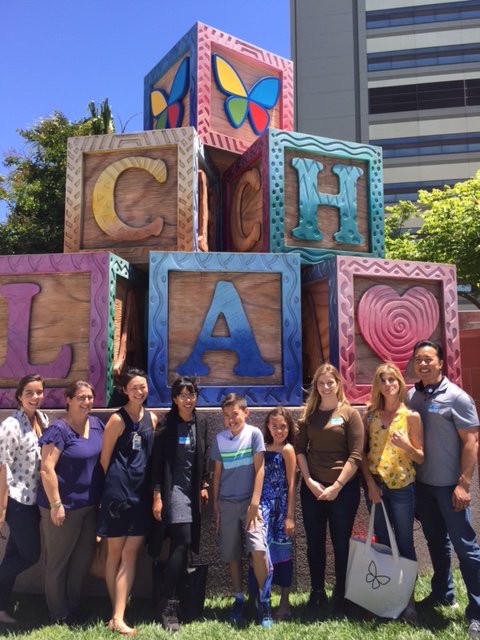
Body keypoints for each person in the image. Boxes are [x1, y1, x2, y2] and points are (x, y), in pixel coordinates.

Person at [408, 339, 480, 640]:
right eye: (418, 359)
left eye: (429, 359)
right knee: (436, 543)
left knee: (466, 548)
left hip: (451, 487)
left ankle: (477, 612)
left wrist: (464, 484)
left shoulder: (457, 397)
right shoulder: (412, 396)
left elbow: (472, 442)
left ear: (440, 363)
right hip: (423, 486)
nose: (423, 364)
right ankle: (443, 593)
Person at [296, 363, 364, 613]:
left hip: (343, 490)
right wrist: (309, 481)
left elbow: (356, 455)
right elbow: (300, 450)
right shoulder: (308, 414)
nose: (325, 387)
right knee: (315, 542)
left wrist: (337, 486)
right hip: (313, 489)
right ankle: (317, 592)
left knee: (340, 542)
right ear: (316, 386)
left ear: (338, 384)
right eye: (321, 383)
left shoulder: (349, 413)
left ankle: (342, 593)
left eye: (330, 382)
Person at [361, 362, 424, 621]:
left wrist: (408, 446)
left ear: (400, 383)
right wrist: (370, 484)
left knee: (405, 542)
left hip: (402, 488)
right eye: (383, 380)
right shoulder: (370, 415)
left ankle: (409, 601)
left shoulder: (411, 416)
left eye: (392, 380)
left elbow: (420, 457)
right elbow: (362, 454)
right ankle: (388, 599)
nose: (388, 384)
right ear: (378, 385)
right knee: (384, 544)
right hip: (376, 487)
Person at [38, 380, 104, 624]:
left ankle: (73, 607)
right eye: (81, 397)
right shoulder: (59, 430)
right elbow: (46, 469)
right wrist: (56, 505)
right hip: (62, 508)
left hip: (89, 506)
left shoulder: (96, 424)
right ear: (68, 400)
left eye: (90, 397)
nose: (87, 402)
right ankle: (59, 613)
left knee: (81, 560)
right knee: (58, 562)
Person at [97, 368, 157, 636]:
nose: (139, 392)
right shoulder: (116, 420)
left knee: (130, 555)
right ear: (125, 391)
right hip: (118, 495)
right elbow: (104, 459)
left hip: (141, 495)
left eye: (143, 386)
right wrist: (115, 487)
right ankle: (117, 614)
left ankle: (117, 615)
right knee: (114, 554)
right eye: (134, 387)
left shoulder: (152, 418)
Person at [150, 376, 209, 632]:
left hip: (191, 492)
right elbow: (157, 462)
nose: (188, 400)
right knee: (182, 540)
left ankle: (176, 600)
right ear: (174, 399)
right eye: (183, 395)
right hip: (172, 490)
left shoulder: (201, 422)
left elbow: (204, 455)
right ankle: (168, 605)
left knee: (182, 546)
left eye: (191, 394)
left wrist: (204, 484)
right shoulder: (167, 424)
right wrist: (157, 495)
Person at [211, 393, 272, 628]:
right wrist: (216, 504)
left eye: (235, 414)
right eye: (226, 416)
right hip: (227, 503)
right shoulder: (220, 439)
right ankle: (239, 599)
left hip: (250, 504)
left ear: (245, 413)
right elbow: (217, 474)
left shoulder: (254, 434)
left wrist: (254, 503)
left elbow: (260, 469)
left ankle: (264, 601)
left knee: (258, 550)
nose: (231, 419)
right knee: (232, 554)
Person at [0, 375, 49, 624]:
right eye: (29, 392)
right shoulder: (11, 425)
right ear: (19, 396)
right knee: (30, 555)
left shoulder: (43, 419)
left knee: (13, 556)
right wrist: (2, 509)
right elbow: (2, 468)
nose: (35, 397)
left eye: (39, 392)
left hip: (35, 498)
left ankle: (0, 609)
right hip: (17, 500)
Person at [248, 406, 296, 621]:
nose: (279, 430)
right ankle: (259, 598)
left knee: (282, 554)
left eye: (283, 426)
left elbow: (292, 483)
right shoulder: (262, 448)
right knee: (259, 550)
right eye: (274, 426)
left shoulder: (287, 449)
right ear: (267, 426)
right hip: (263, 507)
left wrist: (290, 515)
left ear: (289, 428)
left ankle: (284, 603)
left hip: (281, 509)